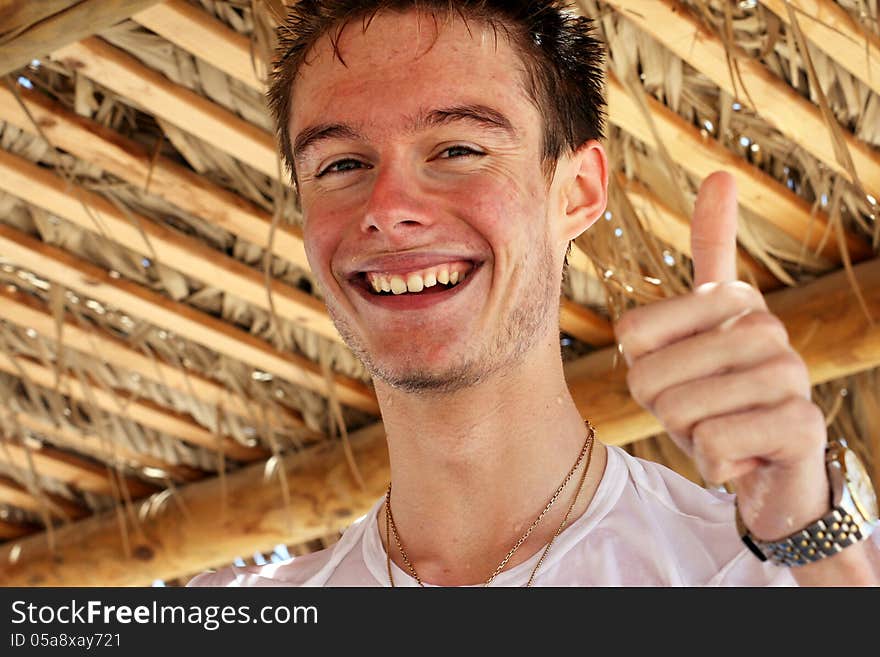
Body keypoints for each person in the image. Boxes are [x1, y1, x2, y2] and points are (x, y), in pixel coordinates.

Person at [189, 0, 879, 587]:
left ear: (576, 191)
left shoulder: (761, 573)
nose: (388, 205)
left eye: (458, 149)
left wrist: (817, 549)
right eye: (340, 164)